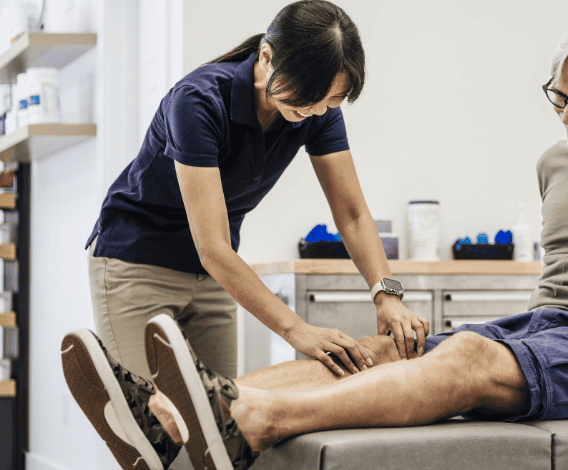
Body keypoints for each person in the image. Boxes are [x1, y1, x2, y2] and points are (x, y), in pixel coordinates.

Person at [64, 14, 568, 470]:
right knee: (389, 351)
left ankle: (253, 414)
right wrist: (358, 322)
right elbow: (211, 242)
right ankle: (181, 412)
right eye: (559, 100)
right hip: (141, 259)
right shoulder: (556, 163)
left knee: (469, 357)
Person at [69, 1, 429, 469]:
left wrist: (386, 294)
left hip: (214, 276)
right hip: (137, 263)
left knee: (225, 431)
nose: (316, 111)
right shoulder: (197, 101)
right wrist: (295, 328)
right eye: (307, 97)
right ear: (266, 57)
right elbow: (212, 246)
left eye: (332, 102)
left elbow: (353, 214)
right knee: (159, 444)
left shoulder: (316, 109)